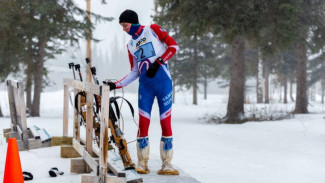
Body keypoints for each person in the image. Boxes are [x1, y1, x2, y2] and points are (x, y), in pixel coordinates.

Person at [105, 9, 179, 175]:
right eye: (122, 26)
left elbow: (173, 46)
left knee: (165, 122)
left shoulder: (152, 29)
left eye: (125, 25)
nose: (124, 29)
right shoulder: (130, 45)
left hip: (163, 83)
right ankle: (142, 162)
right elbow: (134, 72)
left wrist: (158, 62)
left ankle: (167, 164)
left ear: (133, 22)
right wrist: (115, 85)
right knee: (143, 123)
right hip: (145, 86)